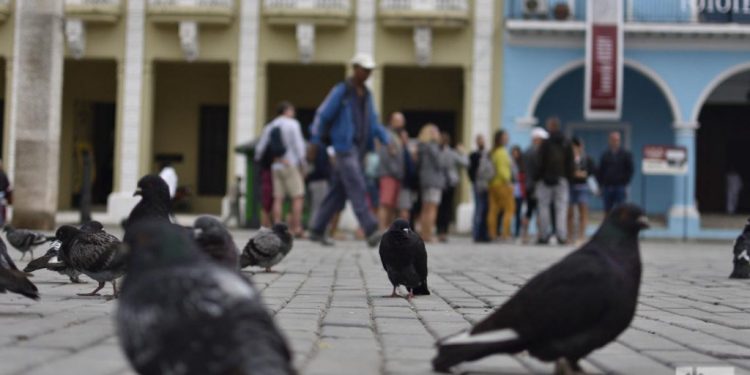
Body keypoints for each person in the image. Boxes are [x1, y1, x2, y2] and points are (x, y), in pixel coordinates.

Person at [307, 53, 389, 247]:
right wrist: (315, 140)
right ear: (355, 68)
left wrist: (386, 139)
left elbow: (374, 122)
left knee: (338, 191)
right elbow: (323, 115)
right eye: (365, 69)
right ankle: (370, 229)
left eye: (370, 70)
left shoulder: (367, 95)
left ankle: (317, 229)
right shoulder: (342, 91)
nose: (368, 73)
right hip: (344, 147)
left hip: (359, 149)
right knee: (357, 185)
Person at [255, 101, 308, 238]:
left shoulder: (271, 125)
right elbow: (299, 145)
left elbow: (260, 148)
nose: (294, 112)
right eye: (292, 110)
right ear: (286, 110)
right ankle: (296, 227)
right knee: (298, 196)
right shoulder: (293, 124)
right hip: (290, 164)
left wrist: (260, 161)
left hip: (275, 166)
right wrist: (303, 164)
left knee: (278, 197)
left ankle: (277, 227)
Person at [535, 117, 573, 244]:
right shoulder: (566, 142)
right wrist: (568, 178)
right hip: (561, 179)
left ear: (550, 127)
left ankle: (544, 235)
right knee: (561, 207)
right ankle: (561, 235)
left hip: (545, 179)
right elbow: (570, 162)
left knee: (543, 207)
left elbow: (540, 161)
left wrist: (539, 177)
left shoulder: (545, 143)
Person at [436, 132, 469, 242]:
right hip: (445, 183)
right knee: (443, 207)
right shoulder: (449, 152)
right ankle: (442, 231)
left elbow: (465, 163)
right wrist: (462, 152)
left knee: (443, 207)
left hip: (445, 183)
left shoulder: (443, 152)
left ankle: (441, 231)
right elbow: (465, 162)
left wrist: (462, 153)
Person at [417, 124, 446, 243]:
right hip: (434, 181)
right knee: (432, 208)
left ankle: (424, 234)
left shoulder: (422, 146)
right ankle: (428, 235)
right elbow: (440, 162)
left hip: (425, 180)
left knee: (425, 208)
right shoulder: (432, 146)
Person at [377, 112, 407, 230]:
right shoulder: (387, 135)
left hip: (397, 176)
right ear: (392, 121)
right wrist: (395, 171)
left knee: (392, 205)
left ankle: (387, 229)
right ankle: (381, 229)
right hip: (388, 174)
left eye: (402, 121)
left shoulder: (399, 136)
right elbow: (385, 155)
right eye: (398, 121)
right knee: (385, 203)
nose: (401, 124)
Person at [487, 129, 515, 241]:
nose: (508, 138)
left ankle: (492, 233)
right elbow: (503, 170)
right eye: (506, 136)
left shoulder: (493, 152)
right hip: (503, 184)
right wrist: (508, 182)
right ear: (501, 139)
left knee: (493, 210)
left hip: (492, 184)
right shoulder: (502, 152)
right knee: (510, 209)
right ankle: (506, 234)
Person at [521, 127, 548, 244]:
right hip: (537, 185)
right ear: (537, 139)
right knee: (538, 210)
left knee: (529, 210)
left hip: (528, 184)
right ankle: (539, 234)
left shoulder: (526, 151)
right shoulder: (537, 152)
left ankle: (525, 235)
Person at [567, 137, 596, 244]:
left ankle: (581, 236)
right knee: (569, 213)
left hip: (582, 187)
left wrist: (584, 174)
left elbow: (593, 171)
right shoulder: (568, 160)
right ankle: (569, 236)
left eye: (576, 147)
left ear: (580, 147)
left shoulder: (587, 159)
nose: (575, 150)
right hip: (570, 186)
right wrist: (573, 174)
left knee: (583, 212)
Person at [597, 131, 634, 213]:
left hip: (620, 187)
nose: (615, 142)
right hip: (607, 187)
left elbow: (630, 170)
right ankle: (608, 225)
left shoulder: (625, 154)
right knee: (607, 210)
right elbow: (600, 171)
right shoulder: (605, 155)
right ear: (609, 140)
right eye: (613, 140)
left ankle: (620, 226)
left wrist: (624, 182)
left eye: (617, 140)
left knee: (621, 210)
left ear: (619, 141)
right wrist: (600, 185)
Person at [469, 135, 490, 242]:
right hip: (478, 185)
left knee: (485, 209)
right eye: (479, 141)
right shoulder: (474, 155)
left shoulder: (488, 154)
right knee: (478, 209)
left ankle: (484, 233)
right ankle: (476, 234)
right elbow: (471, 171)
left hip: (487, 185)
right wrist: (475, 180)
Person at [397, 128, 417, 222]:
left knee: (406, 208)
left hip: (407, 184)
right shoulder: (400, 150)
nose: (405, 139)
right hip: (402, 183)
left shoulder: (406, 150)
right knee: (404, 208)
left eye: (406, 137)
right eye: (403, 137)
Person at [511, 145, 525, 239]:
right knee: (511, 211)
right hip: (511, 188)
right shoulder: (510, 162)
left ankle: (517, 231)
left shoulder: (522, 163)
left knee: (518, 211)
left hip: (519, 189)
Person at [0, 160, 11, 226]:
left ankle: (1, 222)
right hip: (3, 194)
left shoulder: (3, 174)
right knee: (2, 208)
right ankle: (2, 222)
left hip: (1, 193)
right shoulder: (4, 174)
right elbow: (8, 184)